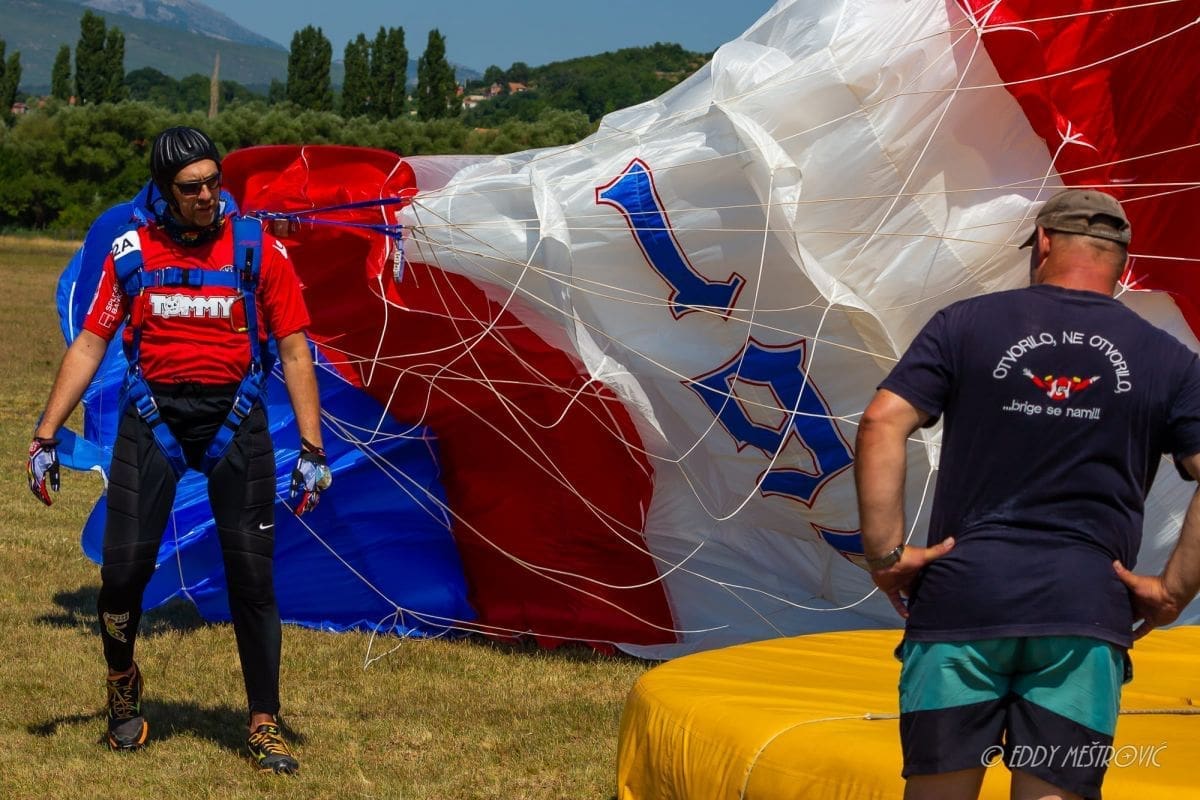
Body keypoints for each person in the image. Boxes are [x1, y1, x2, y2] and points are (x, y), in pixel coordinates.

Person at [854, 188, 1200, 800]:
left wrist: (887, 556)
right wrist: (1172, 592)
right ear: (1122, 258)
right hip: (1083, 609)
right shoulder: (1169, 359)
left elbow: (882, 421)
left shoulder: (964, 325)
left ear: (1043, 241)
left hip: (964, 599)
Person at [26, 126, 333, 774]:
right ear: (165, 191)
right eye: (191, 187)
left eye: (214, 182)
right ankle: (121, 679)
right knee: (122, 575)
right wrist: (45, 434)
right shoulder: (131, 253)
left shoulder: (256, 248)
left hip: (236, 422)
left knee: (253, 578)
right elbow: (91, 343)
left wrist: (312, 448)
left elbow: (294, 348)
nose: (207, 196)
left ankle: (264, 722)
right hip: (153, 421)